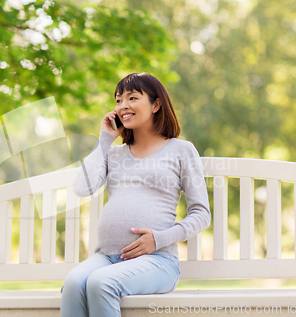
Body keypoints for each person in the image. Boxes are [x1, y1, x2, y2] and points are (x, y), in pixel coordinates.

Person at [60, 72, 211, 317]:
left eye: (132, 98)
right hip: (107, 258)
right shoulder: (113, 154)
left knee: (101, 283)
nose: (123, 106)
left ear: (156, 104)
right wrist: (105, 140)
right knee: (74, 283)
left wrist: (159, 239)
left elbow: (201, 214)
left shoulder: (181, 150)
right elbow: (81, 188)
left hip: (158, 261)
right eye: (118, 100)